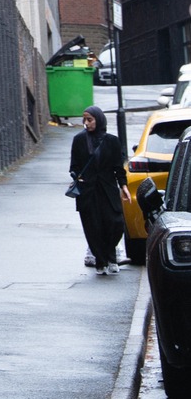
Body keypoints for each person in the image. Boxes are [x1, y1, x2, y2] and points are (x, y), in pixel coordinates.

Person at [70, 104, 127, 274]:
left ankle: (110, 256)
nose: (86, 123)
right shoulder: (79, 140)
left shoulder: (112, 141)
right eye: (85, 120)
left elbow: (118, 167)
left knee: (116, 223)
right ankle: (101, 262)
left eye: (90, 119)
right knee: (93, 227)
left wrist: (123, 186)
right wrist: (76, 176)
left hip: (108, 189)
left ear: (99, 120)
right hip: (88, 191)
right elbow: (74, 165)